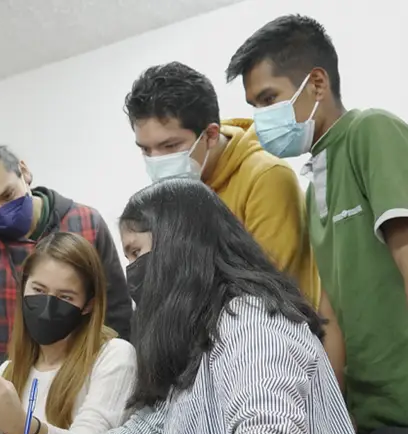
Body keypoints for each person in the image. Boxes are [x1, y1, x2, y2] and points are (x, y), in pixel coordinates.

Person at [0, 179, 372, 434]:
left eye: (136, 253)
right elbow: (148, 431)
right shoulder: (199, 328)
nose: (132, 273)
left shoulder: (253, 321)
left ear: (180, 247)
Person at [226, 13, 408, 434]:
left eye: (269, 98)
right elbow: (332, 307)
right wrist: (329, 417)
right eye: (254, 106)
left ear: (317, 83)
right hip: (368, 419)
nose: (262, 118)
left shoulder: (372, 131)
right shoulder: (316, 181)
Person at [0, 140, 133, 370]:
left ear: (24, 172)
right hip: (2, 376)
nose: (3, 213)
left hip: (78, 375)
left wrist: (117, 369)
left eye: (7, 195)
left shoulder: (87, 222)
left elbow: (115, 307)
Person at [124, 61, 319, 306]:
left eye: (170, 146)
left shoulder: (266, 177)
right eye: (146, 150)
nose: (157, 161)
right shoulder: (175, 193)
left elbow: (266, 288)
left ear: (211, 135)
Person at [0, 232, 136, 434]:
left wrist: (22, 425)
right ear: (23, 288)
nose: (47, 308)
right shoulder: (10, 370)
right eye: (38, 290)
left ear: (88, 305)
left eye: (65, 297)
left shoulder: (114, 356)